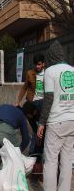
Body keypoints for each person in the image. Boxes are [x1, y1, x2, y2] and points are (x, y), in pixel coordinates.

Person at [37, 41, 74, 191]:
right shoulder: (72, 70)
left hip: (56, 122)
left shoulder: (50, 72)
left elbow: (48, 99)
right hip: (72, 121)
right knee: (67, 161)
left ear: (50, 57)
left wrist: (41, 123)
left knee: (51, 161)